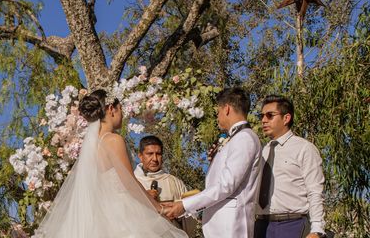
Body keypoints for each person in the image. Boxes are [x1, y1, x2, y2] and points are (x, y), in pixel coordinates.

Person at [33, 89, 187, 238]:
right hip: (122, 214)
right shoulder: (113, 140)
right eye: (120, 109)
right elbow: (129, 182)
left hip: (101, 215)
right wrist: (158, 208)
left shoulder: (91, 146)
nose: (123, 114)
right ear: (111, 108)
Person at [163, 87, 262, 238]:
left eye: (218, 112)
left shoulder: (244, 138)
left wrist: (185, 205)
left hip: (231, 227)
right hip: (221, 225)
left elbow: (226, 185)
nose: (218, 117)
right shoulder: (234, 139)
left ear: (227, 109)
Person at [254, 95, 326, 238]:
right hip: (261, 226)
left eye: (270, 115)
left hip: (292, 225)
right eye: (261, 116)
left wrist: (317, 229)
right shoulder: (261, 151)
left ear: (286, 118)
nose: (263, 120)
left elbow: (315, 191)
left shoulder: (304, 148)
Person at [134, 135, 196, 236]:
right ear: (140, 156)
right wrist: (144, 198)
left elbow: (191, 215)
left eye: (158, 154)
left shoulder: (175, 182)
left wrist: (177, 212)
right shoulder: (132, 181)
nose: (154, 158)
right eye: (150, 154)